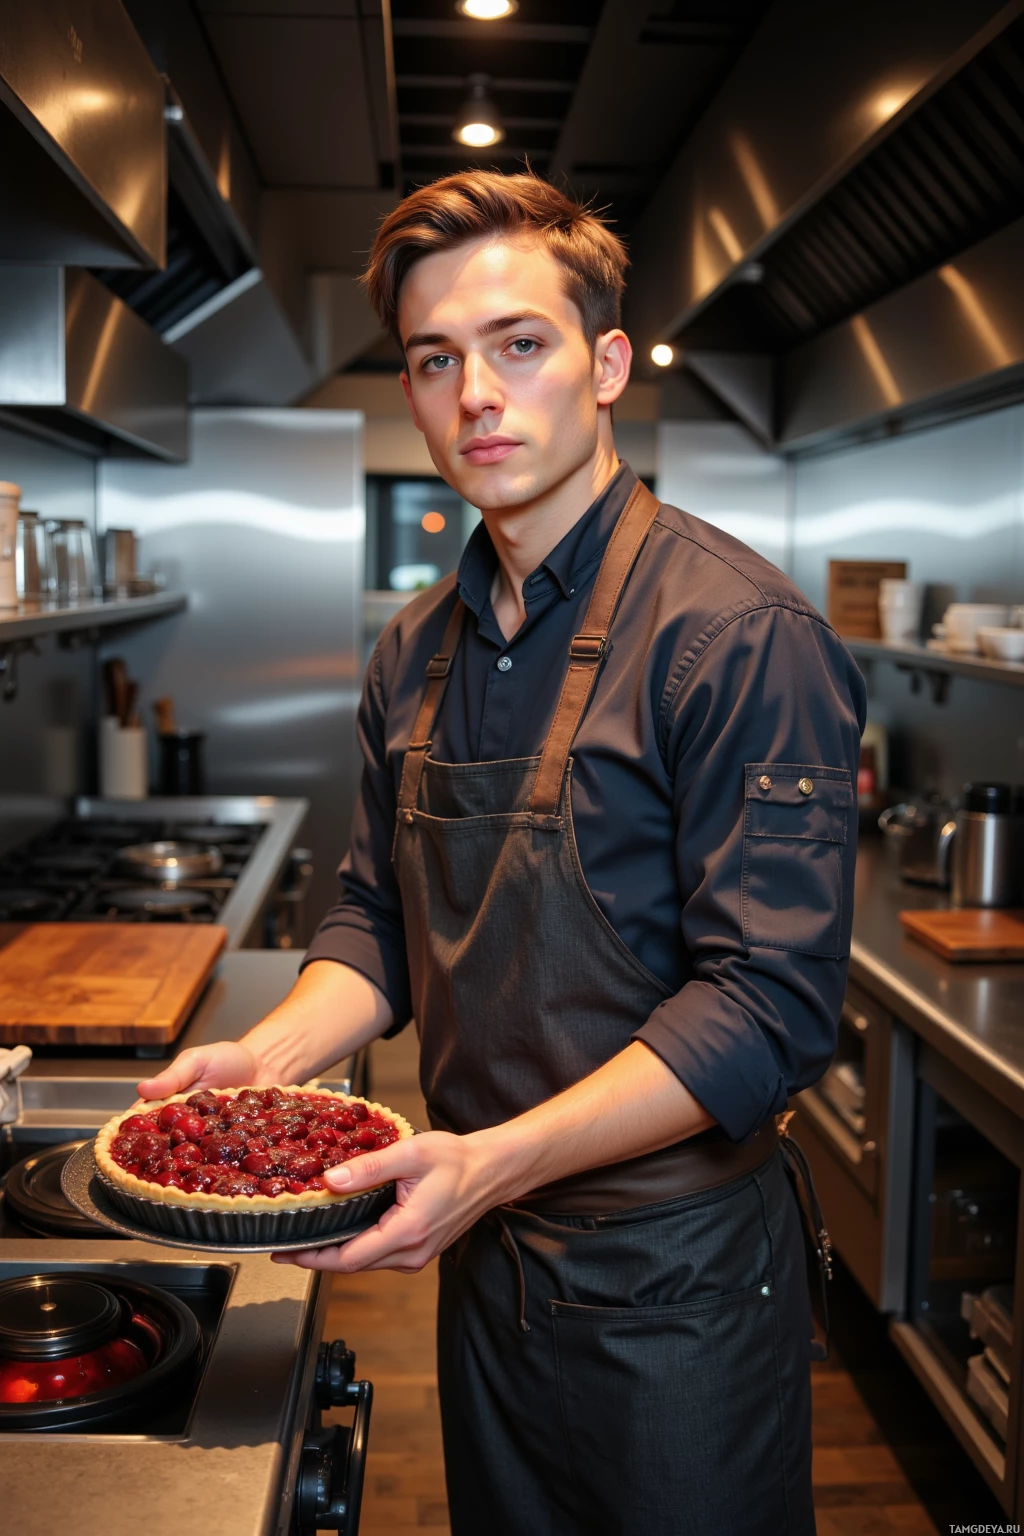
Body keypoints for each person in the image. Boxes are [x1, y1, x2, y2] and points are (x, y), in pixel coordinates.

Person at [140, 169, 865, 1536]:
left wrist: (492, 1160)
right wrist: (268, 1064)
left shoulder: (736, 637)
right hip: (488, 1262)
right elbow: (373, 919)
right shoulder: (415, 652)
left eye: (518, 345)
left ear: (601, 368)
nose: (477, 393)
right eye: (434, 360)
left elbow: (769, 1009)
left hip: (676, 1284)